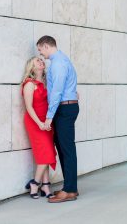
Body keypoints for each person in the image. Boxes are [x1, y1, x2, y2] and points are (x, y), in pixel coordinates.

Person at [37, 35, 80, 203]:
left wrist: (49, 116)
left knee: (67, 149)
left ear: (46, 46)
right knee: (63, 148)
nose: (41, 53)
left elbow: (56, 92)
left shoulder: (58, 63)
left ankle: (70, 190)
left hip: (64, 108)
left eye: (40, 49)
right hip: (66, 106)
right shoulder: (62, 60)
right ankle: (69, 186)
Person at [22, 57, 56, 199]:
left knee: (45, 154)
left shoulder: (47, 82)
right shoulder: (29, 84)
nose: (41, 62)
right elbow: (29, 107)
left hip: (47, 122)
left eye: (42, 60)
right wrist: (39, 124)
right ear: (32, 67)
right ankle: (35, 183)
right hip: (35, 122)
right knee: (46, 152)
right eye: (37, 61)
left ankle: (46, 186)